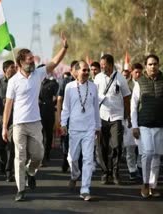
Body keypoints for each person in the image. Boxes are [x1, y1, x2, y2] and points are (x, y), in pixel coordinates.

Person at [2, 32, 68, 201]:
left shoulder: (38, 74)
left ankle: (31, 173)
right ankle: (20, 189)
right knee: (20, 156)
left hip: (35, 123)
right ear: (20, 63)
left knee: (38, 155)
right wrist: (4, 127)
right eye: (29, 60)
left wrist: (64, 48)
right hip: (18, 125)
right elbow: (8, 105)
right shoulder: (13, 81)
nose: (32, 62)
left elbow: (53, 63)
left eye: (33, 59)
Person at [61, 60, 100, 201]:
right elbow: (66, 107)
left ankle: (85, 188)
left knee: (88, 159)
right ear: (76, 72)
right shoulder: (69, 87)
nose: (86, 72)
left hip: (89, 128)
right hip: (74, 128)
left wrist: (98, 126)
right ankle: (74, 175)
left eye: (87, 70)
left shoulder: (93, 87)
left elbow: (96, 108)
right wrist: (63, 123)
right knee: (72, 158)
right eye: (83, 70)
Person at [94, 54, 131, 185]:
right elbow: (93, 99)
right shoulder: (97, 78)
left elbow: (127, 97)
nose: (102, 66)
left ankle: (115, 172)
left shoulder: (120, 78)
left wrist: (128, 115)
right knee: (103, 147)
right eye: (101, 64)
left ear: (110, 64)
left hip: (117, 117)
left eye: (104, 64)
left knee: (116, 146)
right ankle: (105, 172)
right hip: (102, 117)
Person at [131, 54, 163, 198]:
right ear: (145, 66)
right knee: (148, 153)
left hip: (160, 125)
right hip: (144, 125)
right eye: (150, 64)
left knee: (157, 156)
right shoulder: (139, 82)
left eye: (155, 64)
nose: (153, 66)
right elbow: (133, 105)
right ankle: (144, 183)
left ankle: (153, 186)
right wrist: (134, 126)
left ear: (159, 65)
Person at [121, 63, 143, 181]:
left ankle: (139, 166)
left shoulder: (144, 84)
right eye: (136, 72)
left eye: (140, 72)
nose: (138, 74)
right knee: (129, 146)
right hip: (128, 118)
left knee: (141, 146)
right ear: (132, 72)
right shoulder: (126, 85)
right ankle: (132, 170)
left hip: (142, 119)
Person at [56, 60, 78, 172]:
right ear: (71, 70)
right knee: (66, 139)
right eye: (76, 69)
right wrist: (59, 117)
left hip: (79, 118)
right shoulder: (65, 82)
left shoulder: (85, 82)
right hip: (67, 116)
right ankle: (65, 160)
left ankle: (76, 164)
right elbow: (59, 100)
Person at [39, 64, 59, 165]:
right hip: (37, 113)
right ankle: (41, 157)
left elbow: (57, 97)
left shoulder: (53, 83)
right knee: (40, 136)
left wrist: (52, 103)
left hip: (49, 112)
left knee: (49, 135)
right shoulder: (35, 83)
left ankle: (47, 154)